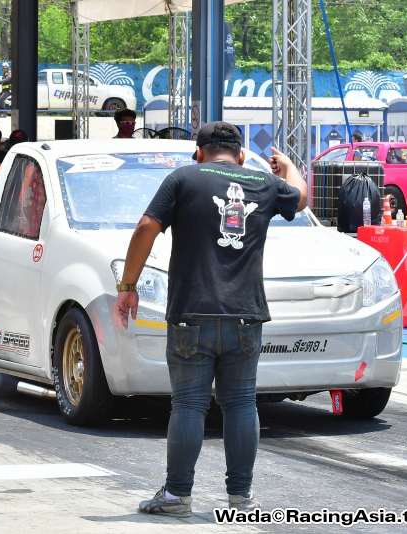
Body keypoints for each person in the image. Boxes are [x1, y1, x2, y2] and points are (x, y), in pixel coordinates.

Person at [115, 122, 307, 518]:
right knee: (240, 404)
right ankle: (242, 499)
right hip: (245, 316)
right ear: (239, 155)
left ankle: (176, 497)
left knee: (188, 406)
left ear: (198, 152)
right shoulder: (263, 183)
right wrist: (287, 166)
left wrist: (128, 285)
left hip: (191, 315)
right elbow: (302, 199)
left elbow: (146, 227)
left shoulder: (183, 178)